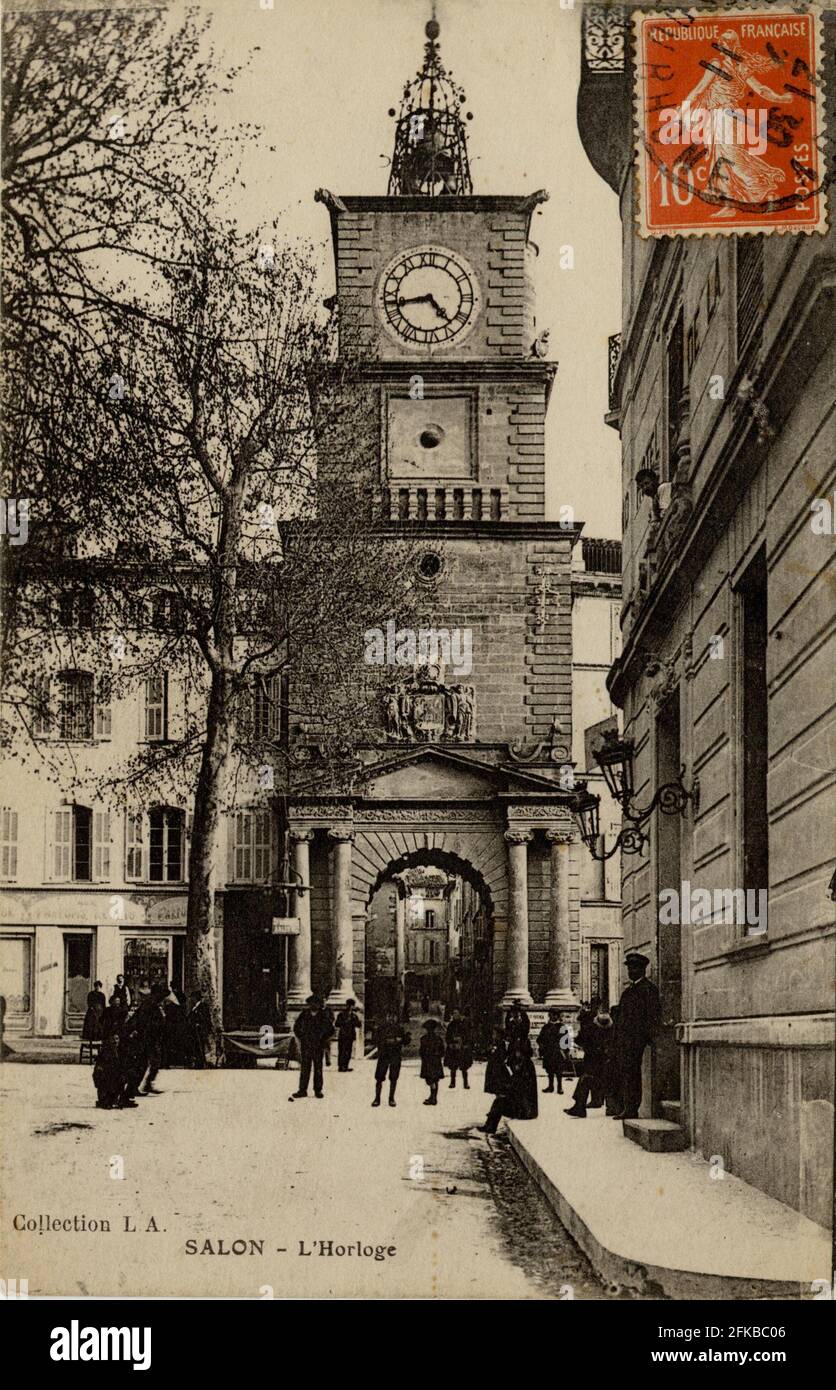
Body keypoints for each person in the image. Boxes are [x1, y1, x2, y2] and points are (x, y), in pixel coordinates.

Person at [611, 952, 661, 1120]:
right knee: (625, 1073)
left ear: (643, 970)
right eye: (629, 968)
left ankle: (632, 1108)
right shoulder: (628, 992)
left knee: (632, 1073)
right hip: (623, 1040)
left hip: (636, 1041)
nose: (631, 971)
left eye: (634, 968)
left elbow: (653, 1016)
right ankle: (626, 1106)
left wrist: (647, 1038)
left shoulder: (649, 990)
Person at [565, 1001, 615, 1118]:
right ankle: (606, 1106)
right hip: (606, 1060)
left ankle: (580, 1107)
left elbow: (580, 1040)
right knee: (598, 1082)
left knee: (586, 1080)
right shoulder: (611, 1027)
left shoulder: (590, 1028)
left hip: (594, 1060)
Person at [479, 1039, 538, 1134]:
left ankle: (490, 1126)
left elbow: (520, 1085)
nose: (516, 1054)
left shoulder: (526, 1065)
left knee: (499, 1102)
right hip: (524, 1105)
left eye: (517, 1051)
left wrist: (506, 1090)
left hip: (525, 1108)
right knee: (499, 1101)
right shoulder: (524, 1063)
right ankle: (489, 1125)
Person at [290, 995, 334, 1100]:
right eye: (311, 1003)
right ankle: (302, 1090)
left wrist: (323, 1039)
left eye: (316, 1003)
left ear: (319, 1005)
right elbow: (296, 1027)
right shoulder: (304, 1014)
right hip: (306, 1045)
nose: (314, 1005)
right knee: (305, 1068)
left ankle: (318, 1090)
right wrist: (302, 1037)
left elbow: (331, 1030)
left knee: (318, 1069)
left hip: (318, 1046)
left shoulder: (323, 1016)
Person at [372, 1012, 410, 1108]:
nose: (391, 1019)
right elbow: (375, 1039)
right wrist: (386, 1041)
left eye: (394, 1016)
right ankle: (377, 1098)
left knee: (394, 1077)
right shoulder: (381, 1028)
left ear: (396, 1018)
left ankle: (391, 1098)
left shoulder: (399, 1029)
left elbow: (406, 1041)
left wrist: (401, 1039)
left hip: (395, 1055)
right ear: (386, 1017)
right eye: (389, 1016)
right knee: (379, 1077)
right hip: (383, 1055)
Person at [536, 1007, 566, 1094]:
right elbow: (539, 1039)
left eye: (556, 1015)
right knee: (549, 1070)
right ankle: (550, 1086)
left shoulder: (562, 1027)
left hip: (558, 1051)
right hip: (548, 1051)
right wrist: (542, 1047)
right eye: (552, 1015)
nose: (554, 1017)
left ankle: (560, 1087)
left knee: (559, 1070)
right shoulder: (546, 1027)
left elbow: (565, 1040)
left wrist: (564, 1050)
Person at [443, 1010, 473, 1089]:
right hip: (453, 1049)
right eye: (453, 1013)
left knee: (464, 1067)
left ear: (460, 1014)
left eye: (456, 1013)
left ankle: (465, 1083)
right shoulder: (451, 1025)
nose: (454, 1015)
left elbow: (467, 1035)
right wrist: (450, 1043)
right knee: (453, 1067)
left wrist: (465, 1043)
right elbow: (447, 1036)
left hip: (462, 1048)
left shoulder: (463, 1025)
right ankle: (452, 1082)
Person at [419, 1018, 445, 1105]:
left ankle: (433, 1097)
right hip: (435, 1061)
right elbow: (442, 1051)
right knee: (434, 1080)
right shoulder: (438, 1039)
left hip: (428, 1062)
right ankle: (433, 1096)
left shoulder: (424, 1039)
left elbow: (421, 1051)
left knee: (430, 1080)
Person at [335, 999, 361, 1073]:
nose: (350, 1007)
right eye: (349, 1005)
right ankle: (340, 1066)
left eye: (352, 1005)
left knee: (348, 1051)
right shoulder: (341, 1014)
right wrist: (344, 1022)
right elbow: (337, 1024)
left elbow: (359, 1025)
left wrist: (356, 1019)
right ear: (346, 1005)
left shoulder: (354, 1016)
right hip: (343, 1035)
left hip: (350, 1035)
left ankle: (346, 1066)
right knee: (341, 1051)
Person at [187, 990, 210, 1069]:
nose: (191, 1000)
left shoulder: (203, 1007)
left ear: (195, 998)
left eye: (192, 998)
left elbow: (206, 1019)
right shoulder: (194, 1008)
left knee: (200, 1047)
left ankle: (201, 1063)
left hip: (200, 1031)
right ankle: (197, 1062)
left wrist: (200, 1025)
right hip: (194, 1032)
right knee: (196, 1047)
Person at [484, 1029, 511, 1096]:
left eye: (494, 1034)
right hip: (492, 1066)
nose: (493, 1035)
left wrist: (495, 1053)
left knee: (499, 1085)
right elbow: (487, 1054)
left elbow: (503, 1055)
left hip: (498, 1067)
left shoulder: (501, 1043)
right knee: (495, 1085)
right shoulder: (493, 1043)